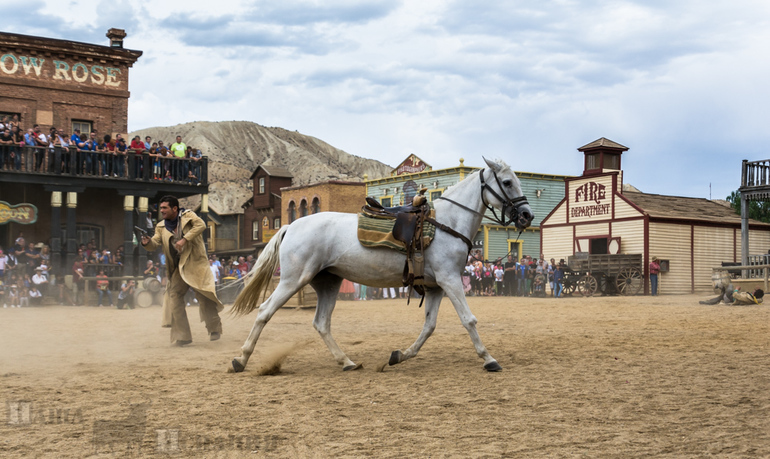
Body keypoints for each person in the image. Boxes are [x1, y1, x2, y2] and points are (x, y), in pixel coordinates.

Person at [140, 195, 223, 345]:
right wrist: (147, 243)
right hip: (179, 266)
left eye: (165, 207)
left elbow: (201, 225)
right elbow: (154, 244)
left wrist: (185, 239)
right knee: (174, 295)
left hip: (196, 262)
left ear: (174, 208)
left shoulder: (188, 216)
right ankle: (182, 336)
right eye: (161, 207)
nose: (162, 210)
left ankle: (214, 328)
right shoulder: (161, 227)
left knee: (203, 295)